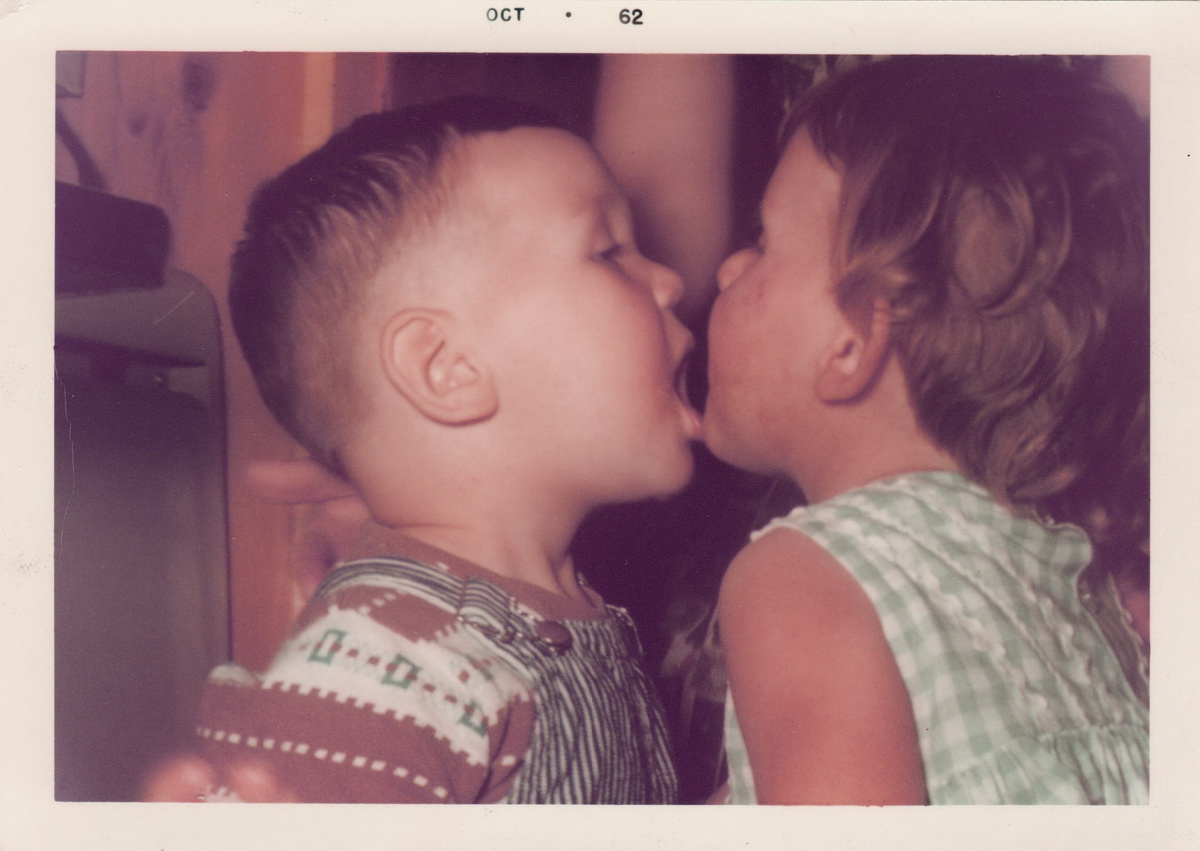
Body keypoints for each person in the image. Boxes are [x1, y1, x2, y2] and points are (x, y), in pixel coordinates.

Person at [188, 95, 703, 803]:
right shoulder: (380, 672)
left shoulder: (566, 617)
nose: (671, 282)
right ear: (446, 368)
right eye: (608, 251)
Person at [707, 56, 1150, 805]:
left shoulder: (799, 578)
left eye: (763, 242)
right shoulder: (1080, 578)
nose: (727, 270)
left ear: (851, 341)